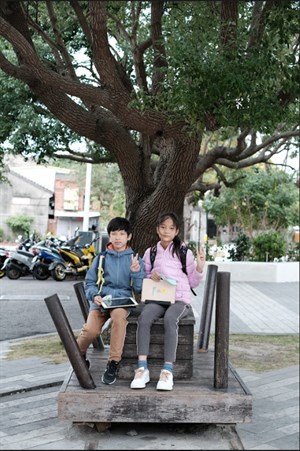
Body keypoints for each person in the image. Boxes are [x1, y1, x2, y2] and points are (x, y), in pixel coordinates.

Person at [130, 211, 206, 391]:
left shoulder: (184, 251)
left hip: (179, 300)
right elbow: (146, 277)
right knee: (144, 318)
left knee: (171, 320)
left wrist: (199, 267)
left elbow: (193, 281)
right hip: (158, 298)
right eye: (163, 227)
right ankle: (142, 368)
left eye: (171, 228)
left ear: (176, 231)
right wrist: (149, 275)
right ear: (157, 229)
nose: (166, 231)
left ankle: (167, 371)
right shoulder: (152, 252)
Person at [77, 217, 145, 385]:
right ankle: (78, 356)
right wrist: (94, 295)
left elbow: (138, 288)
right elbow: (90, 283)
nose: (117, 237)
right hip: (101, 301)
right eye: (114, 233)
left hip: (122, 301)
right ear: (109, 236)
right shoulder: (101, 258)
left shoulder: (135, 259)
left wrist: (136, 272)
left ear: (129, 237)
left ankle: (113, 362)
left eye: (122, 234)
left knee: (118, 319)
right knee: (90, 331)